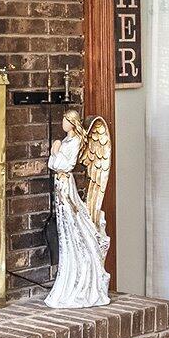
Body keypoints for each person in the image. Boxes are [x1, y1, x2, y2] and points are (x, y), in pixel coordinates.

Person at [46, 110, 111, 308]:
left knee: (73, 227)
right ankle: (69, 277)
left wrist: (55, 153)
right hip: (60, 185)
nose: (62, 122)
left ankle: (84, 274)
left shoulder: (74, 143)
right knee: (65, 231)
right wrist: (55, 154)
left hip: (66, 188)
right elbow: (52, 165)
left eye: (65, 120)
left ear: (72, 123)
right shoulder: (65, 141)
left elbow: (65, 165)